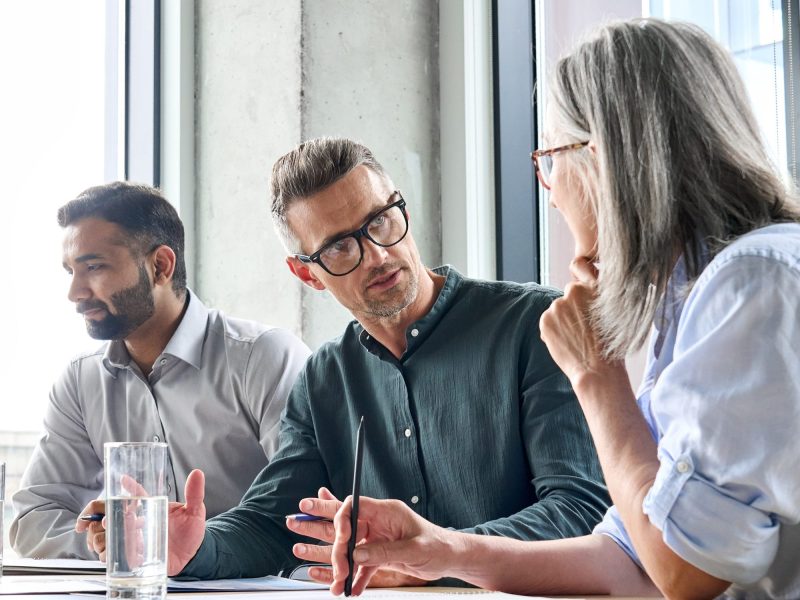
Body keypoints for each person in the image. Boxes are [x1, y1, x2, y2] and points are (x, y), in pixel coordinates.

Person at [319, 19, 800, 600]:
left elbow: (685, 572)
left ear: (603, 158)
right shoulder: (703, 294)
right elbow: (628, 557)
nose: (548, 187)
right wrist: (441, 551)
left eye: (549, 157)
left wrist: (596, 375)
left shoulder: (753, 282)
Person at [161, 137, 611, 582]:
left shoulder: (537, 326)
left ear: (404, 213)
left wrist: (435, 559)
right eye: (338, 247)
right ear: (306, 273)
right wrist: (192, 548)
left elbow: (581, 510)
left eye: (380, 221)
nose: (377, 254)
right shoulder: (324, 379)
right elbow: (273, 524)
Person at [9, 181, 310, 560]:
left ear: (160, 266)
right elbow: (33, 522)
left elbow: (306, 509)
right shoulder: (80, 382)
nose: (75, 292)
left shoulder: (263, 358)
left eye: (94, 267)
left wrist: (170, 541)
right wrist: (119, 541)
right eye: (70, 270)